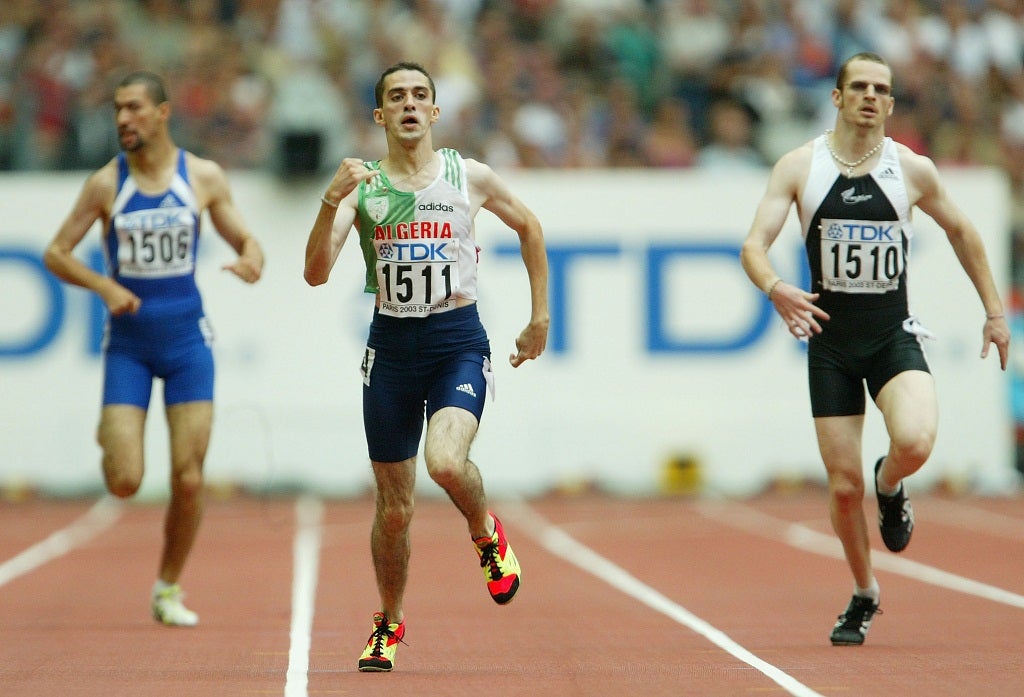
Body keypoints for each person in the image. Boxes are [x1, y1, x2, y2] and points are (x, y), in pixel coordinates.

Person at [740, 52, 1010, 646]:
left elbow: (962, 231)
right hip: (831, 345)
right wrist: (776, 287)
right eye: (857, 86)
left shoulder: (911, 171)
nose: (869, 95)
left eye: (880, 89)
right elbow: (754, 245)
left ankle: (890, 484)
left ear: (890, 104)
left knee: (914, 441)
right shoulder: (798, 166)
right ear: (836, 97)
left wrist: (994, 311)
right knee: (841, 487)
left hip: (892, 335)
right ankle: (864, 593)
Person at [304, 61, 549, 672]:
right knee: (394, 507)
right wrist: (331, 198)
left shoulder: (470, 176)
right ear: (379, 116)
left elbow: (530, 228)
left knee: (444, 461)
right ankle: (387, 622)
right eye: (396, 97)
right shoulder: (362, 188)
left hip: (455, 340)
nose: (409, 104)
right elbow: (314, 272)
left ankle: (485, 532)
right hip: (390, 348)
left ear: (435, 112)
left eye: (420, 95)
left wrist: (539, 316)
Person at [43, 70, 264, 626]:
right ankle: (111, 430)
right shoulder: (105, 184)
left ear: (162, 113)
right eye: (118, 108)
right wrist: (106, 286)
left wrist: (252, 259)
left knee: (188, 477)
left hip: (188, 340)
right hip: (130, 347)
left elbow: (246, 238)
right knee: (125, 481)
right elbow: (57, 253)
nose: (123, 118)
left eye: (135, 108)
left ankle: (168, 586)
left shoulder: (202, 176)